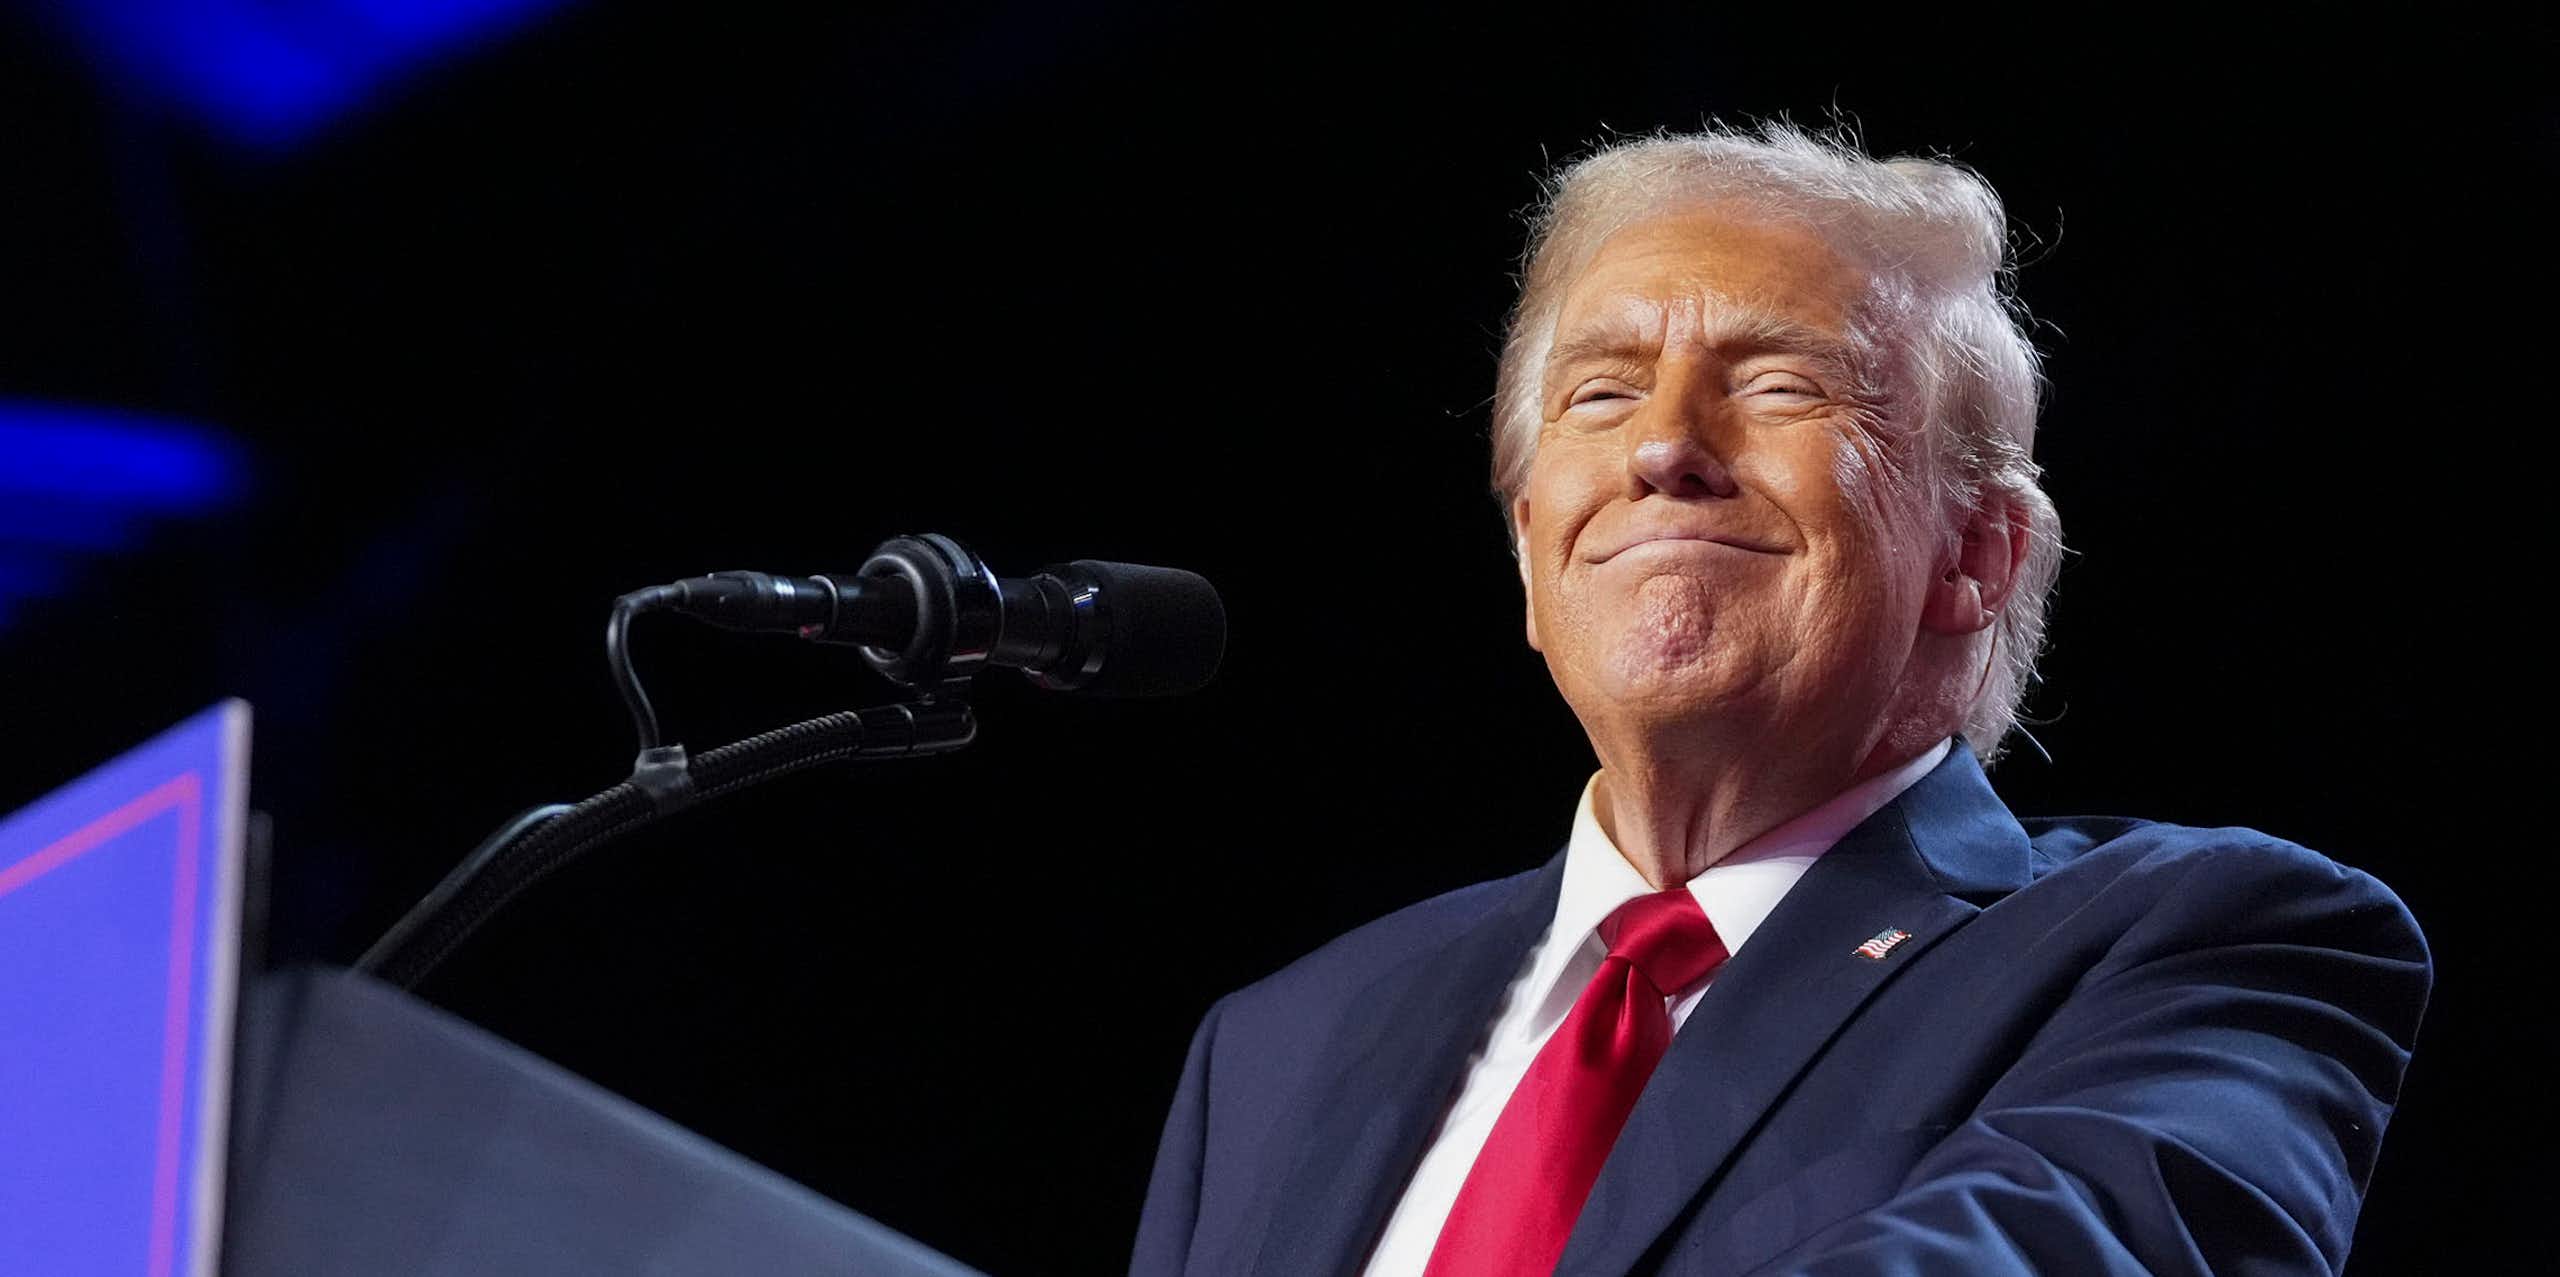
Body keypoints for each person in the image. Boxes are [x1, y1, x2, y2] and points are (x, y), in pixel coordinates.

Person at [1127, 122, 2430, 1277]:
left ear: (1974, 555)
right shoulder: (1273, 1047)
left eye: (1777, 384)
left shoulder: (2204, 944)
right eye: (1602, 391)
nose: (1663, 447)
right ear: (1531, 554)